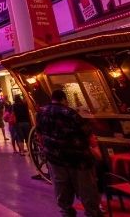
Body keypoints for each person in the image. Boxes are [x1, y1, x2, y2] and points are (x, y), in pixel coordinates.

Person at [36, 89, 102, 217]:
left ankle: (66, 212)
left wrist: (47, 149)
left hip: (54, 158)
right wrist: (96, 150)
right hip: (78, 159)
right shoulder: (70, 113)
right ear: (64, 99)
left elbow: (39, 134)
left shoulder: (41, 113)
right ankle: (92, 213)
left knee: (61, 187)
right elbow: (87, 133)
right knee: (86, 189)